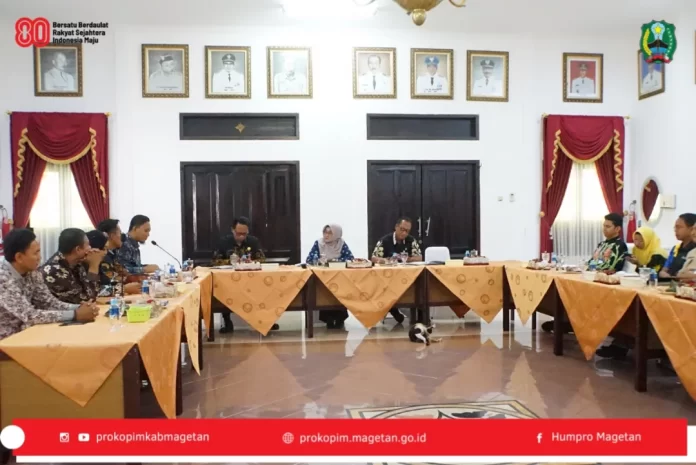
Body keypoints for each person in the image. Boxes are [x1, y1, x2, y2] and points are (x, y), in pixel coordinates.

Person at [0, 229, 97, 339]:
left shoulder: (32, 272)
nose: (40, 257)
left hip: (26, 333)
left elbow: (48, 303)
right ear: (19, 257)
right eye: (36, 253)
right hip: (6, 340)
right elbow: (30, 315)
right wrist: (75, 314)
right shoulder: (2, 277)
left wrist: (81, 307)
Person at [542, 213, 628, 333]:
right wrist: (582, 268)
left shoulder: (620, 245)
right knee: (568, 286)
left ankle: (574, 323)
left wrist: (591, 270)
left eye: (608, 226)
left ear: (618, 229)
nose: (604, 229)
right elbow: (591, 262)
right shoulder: (602, 244)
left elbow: (613, 267)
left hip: (601, 280)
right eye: (604, 226)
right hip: (591, 276)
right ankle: (566, 319)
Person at [213, 217, 273, 333]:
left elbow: (262, 259)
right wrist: (232, 262)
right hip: (230, 281)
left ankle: (267, 321)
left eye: (244, 234)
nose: (241, 236)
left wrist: (250, 262)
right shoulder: (224, 242)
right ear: (232, 230)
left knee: (266, 288)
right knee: (223, 290)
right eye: (238, 233)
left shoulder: (253, 241)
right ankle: (227, 322)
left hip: (252, 280)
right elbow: (215, 261)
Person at [371, 217, 423, 324]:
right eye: (402, 229)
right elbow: (374, 258)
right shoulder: (384, 240)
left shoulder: (411, 240)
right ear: (396, 227)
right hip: (388, 277)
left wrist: (408, 259)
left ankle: (417, 315)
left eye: (407, 231)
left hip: (407, 276)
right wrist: (386, 260)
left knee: (418, 288)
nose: (404, 233)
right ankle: (393, 308)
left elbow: (419, 257)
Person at [306, 225, 354, 329]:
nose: (326, 235)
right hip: (323, 277)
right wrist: (319, 260)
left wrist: (333, 261)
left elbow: (350, 258)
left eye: (329, 233)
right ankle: (328, 320)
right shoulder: (319, 243)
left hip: (339, 277)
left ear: (336, 234)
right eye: (325, 232)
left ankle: (340, 319)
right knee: (325, 295)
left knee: (339, 295)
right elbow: (309, 259)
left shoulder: (341, 244)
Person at [42, 228, 104, 305]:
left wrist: (90, 263)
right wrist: (94, 266)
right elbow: (86, 300)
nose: (90, 248)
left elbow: (93, 292)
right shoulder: (54, 270)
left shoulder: (77, 263)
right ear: (78, 249)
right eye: (88, 245)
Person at [87, 227, 140, 295]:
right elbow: (94, 292)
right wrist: (123, 289)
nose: (105, 253)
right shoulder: (83, 267)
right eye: (103, 249)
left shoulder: (100, 262)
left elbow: (106, 284)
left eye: (106, 249)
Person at [660, 213, 696, 278]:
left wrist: (680, 275)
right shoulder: (676, 248)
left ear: (690, 229)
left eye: (679, 227)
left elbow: (690, 273)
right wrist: (663, 273)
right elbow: (665, 269)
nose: (675, 230)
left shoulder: (693, 250)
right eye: (675, 227)